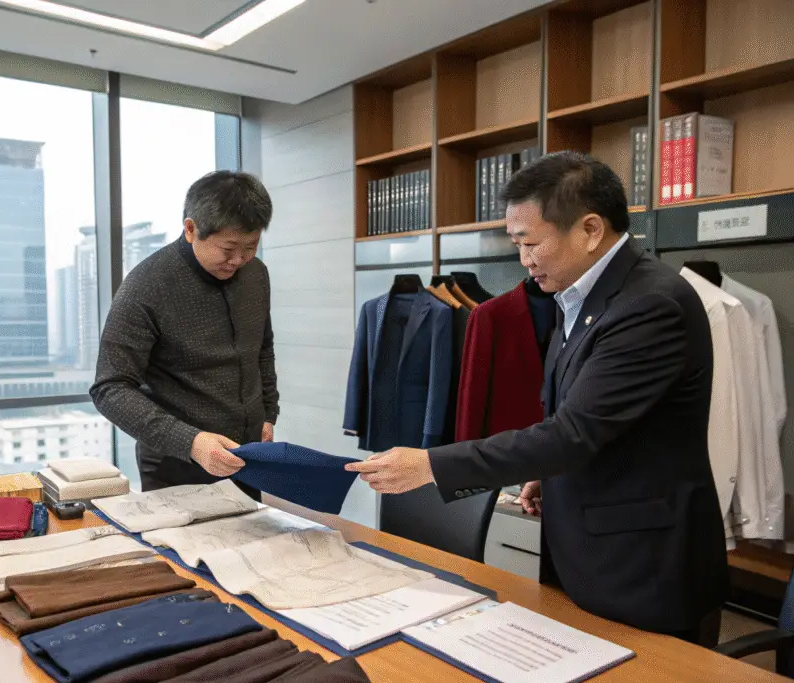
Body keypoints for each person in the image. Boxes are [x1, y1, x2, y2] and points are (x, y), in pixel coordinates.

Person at [346, 151, 729, 645]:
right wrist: (549, 475)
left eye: (531, 243)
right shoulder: (579, 295)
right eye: (517, 245)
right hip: (591, 550)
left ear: (590, 230)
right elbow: (589, 415)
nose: (524, 261)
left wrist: (430, 464)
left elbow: (573, 433)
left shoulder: (649, 305)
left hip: (645, 565)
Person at [91, 170, 277, 496]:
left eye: (250, 246)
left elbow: (262, 348)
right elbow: (110, 387)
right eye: (228, 248)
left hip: (247, 457)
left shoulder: (256, 274)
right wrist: (191, 442)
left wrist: (268, 413)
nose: (238, 260)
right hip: (176, 464)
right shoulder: (146, 286)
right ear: (191, 229)